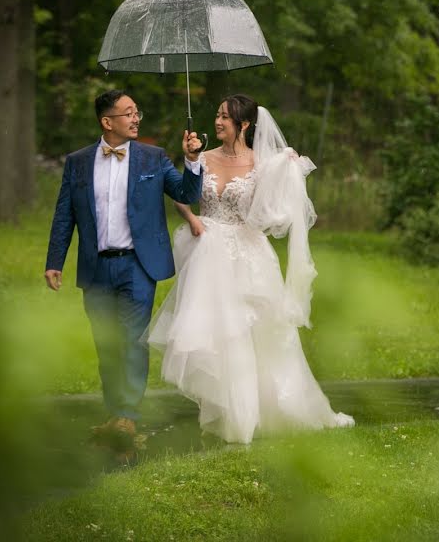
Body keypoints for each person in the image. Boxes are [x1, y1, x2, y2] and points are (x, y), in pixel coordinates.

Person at [148, 94, 354, 444]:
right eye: (217, 114)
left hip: (248, 256)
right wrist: (193, 216)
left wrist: (285, 172)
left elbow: (273, 217)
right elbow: (181, 195)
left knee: (254, 336)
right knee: (216, 335)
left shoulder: (263, 164)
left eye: (225, 117)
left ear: (244, 125)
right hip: (208, 253)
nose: (218, 121)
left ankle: (257, 414)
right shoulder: (203, 157)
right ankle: (225, 414)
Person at [44, 89, 203, 448]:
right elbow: (64, 215)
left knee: (132, 340)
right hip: (96, 266)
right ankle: (114, 411)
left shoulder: (153, 158)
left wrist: (191, 160)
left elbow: (186, 193)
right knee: (106, 343)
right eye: (128, 113)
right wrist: (55, 261)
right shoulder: (78, 162)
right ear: (107, 122)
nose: (136, 119)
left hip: (137, 265)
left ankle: (128, 416)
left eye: (137, 112)